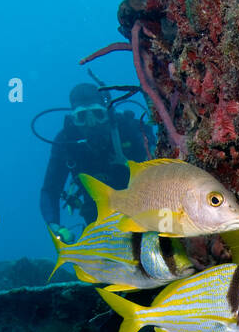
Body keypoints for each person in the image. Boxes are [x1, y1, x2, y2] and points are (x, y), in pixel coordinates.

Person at [39, 83, 154, 231]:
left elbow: (158, 161)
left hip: (143, 209)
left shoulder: (128, 127)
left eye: (98, 114)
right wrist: (55, 226)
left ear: (107, 112)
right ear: (73, 119)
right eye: (82, 116)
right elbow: (50, 189)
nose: (91, 123)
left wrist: (127, 163)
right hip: (98, 219)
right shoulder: (66, 141)